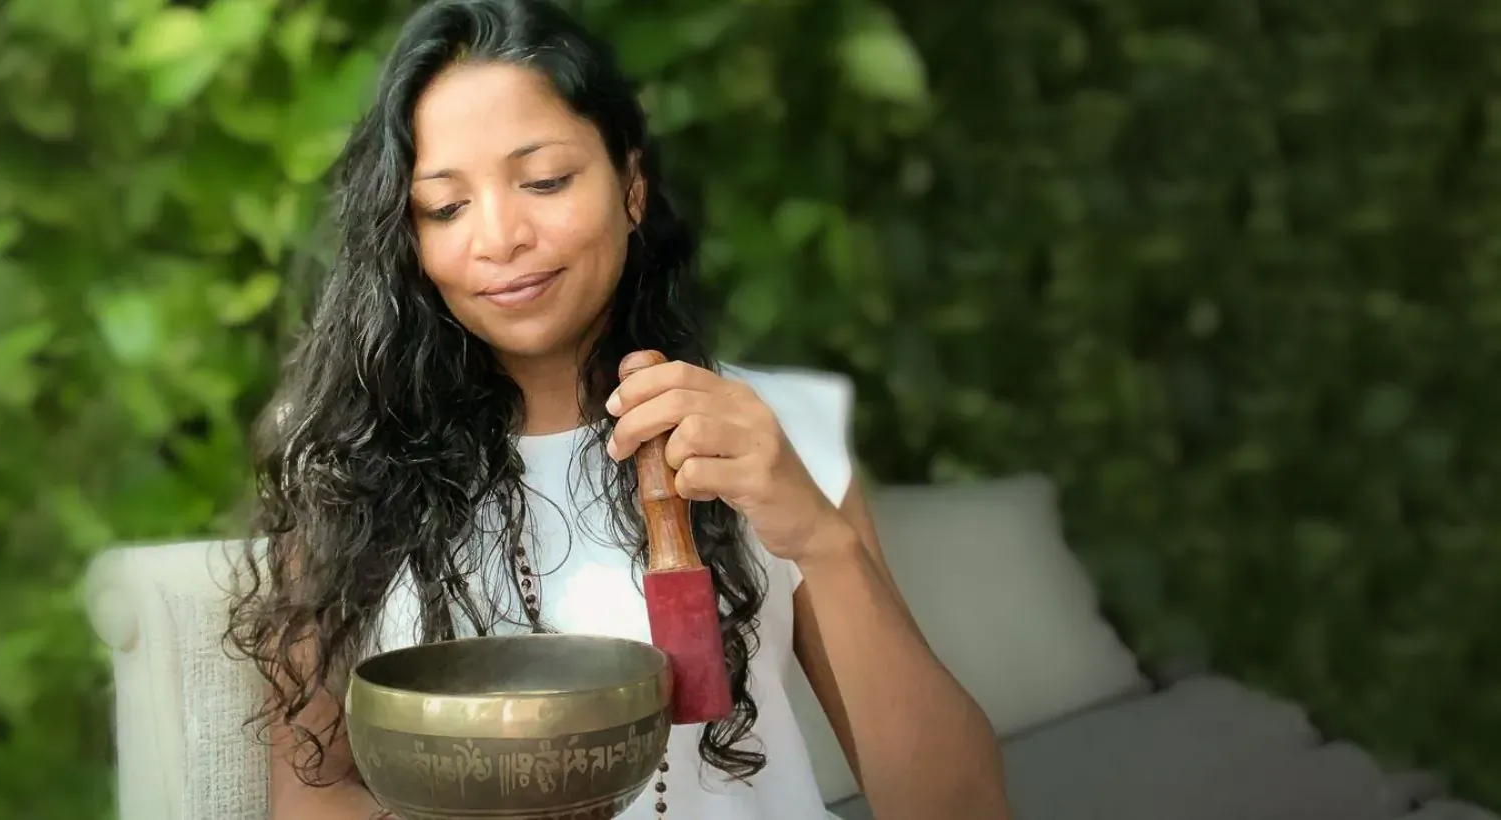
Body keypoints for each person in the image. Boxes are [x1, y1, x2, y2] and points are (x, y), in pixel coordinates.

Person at [226, 0, 1009, 817]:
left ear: (631, 188)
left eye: (545, 180)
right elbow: (313, 798)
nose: (499, 237)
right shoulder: (349, 469)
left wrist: (822, 539)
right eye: (446, 207)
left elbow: (964, 806)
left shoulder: (763, 433)